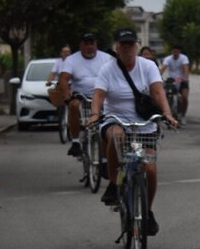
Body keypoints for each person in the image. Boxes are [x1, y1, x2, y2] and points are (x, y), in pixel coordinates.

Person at [91, 27, 178, 235]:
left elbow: (157, 91)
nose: (127, 48)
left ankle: (147, 212)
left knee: (150, 169)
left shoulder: (147, 66)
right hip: (115, 119)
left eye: (131, 44)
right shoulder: (107, 69)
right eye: (123, 44)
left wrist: (167, 114)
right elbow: (99, 95)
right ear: (117, 47)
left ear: (136, 46)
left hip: (144, 124)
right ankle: (114, 184)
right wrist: (94, 114)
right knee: (117, 135)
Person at [58, 33, 113, 160]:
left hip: (103, 96)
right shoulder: (71, 60)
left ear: (96, 44)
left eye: (92, 43)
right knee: (73, 105)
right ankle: (76, 141)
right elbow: (63, 79)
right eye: (86, 44)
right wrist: (66, 94)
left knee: (110, 118)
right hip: (81, 96)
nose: (89, 47)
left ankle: (106, 156)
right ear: (80, 45)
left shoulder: (107, 58)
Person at [159, 45, 190, 119]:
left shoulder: (184, 58)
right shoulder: (168, 59)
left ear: (179, 52)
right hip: (172, 80)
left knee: (184, 97)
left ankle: (183, 115)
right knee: (164, 95)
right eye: (174, 52)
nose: (175, 53)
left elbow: (186, 68)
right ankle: (166, 112)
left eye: (177, 52)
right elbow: (163, 68)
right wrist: (158, 77)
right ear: (172, 52)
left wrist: (186, 78)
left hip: (182, 80)